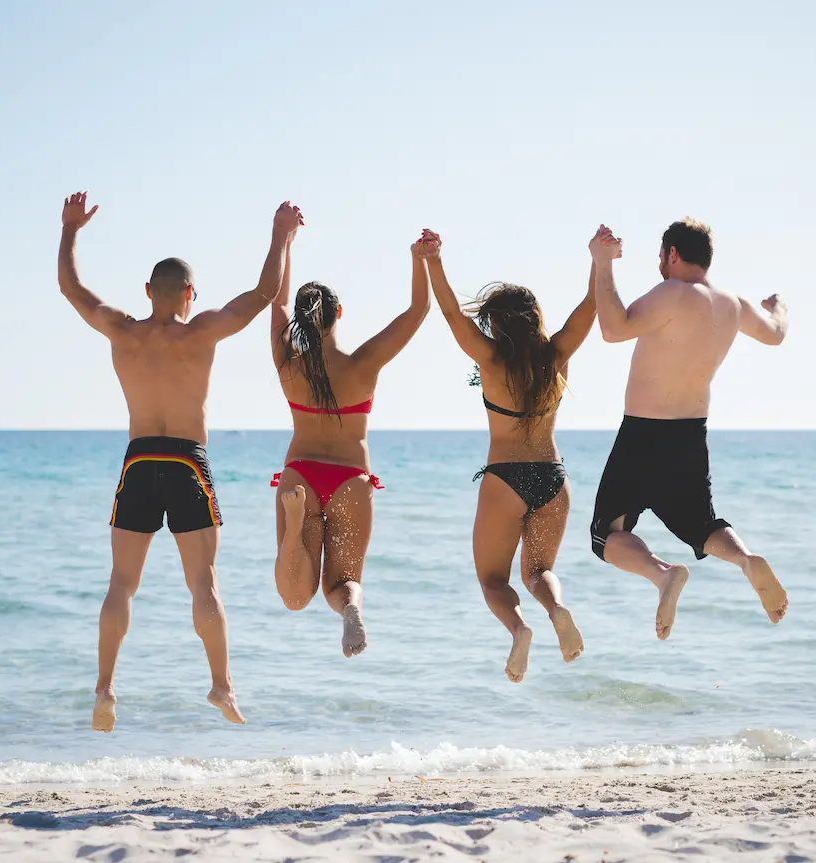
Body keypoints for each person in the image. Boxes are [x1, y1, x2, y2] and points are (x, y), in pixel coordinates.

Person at [58, 191, 302, 732]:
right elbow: (264, 293)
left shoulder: (121, 329)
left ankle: (104, 688)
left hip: (139, 461)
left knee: (121, 583)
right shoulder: (202, 331)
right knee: (204, 584)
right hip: (189, 463)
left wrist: (71, 229)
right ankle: (221, 685)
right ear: (191, 294)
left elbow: (71, 289)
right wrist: (281, 234)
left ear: (148, 291)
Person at [587, 219, 789, 640]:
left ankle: (663, 576)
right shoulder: (731, 303)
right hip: (691, 436)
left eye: (661, 256)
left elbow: (613, 328)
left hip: (643, 433)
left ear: (672, 254)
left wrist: (602, 261)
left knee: (607, 534)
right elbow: (774, 335)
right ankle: (747, 560)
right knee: (702, 525)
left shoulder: (673, 293)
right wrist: (778, 309)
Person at [421, 229, 596, 682]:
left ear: (496, 325)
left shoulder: (491, 360)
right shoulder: (558, 353)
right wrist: (601, 259)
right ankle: (557, 609)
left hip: (506, 478)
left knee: (494, 580)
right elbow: (590, 307)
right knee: (539, 572)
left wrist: (433, 260)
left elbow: (449, 314)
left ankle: (519, 630)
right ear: (535, 316)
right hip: (552, 477)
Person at [269, 225, 431, 657]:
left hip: (299, 475)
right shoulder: (364, 363)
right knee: (340, 584)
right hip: (350, 482)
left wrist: (282, 240)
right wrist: (420, 259)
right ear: (339, 315)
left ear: (301, 322)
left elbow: (278, 300)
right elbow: (418, 311)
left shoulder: (288, 363)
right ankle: (351, 612)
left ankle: (293, 538)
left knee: (295, 597)